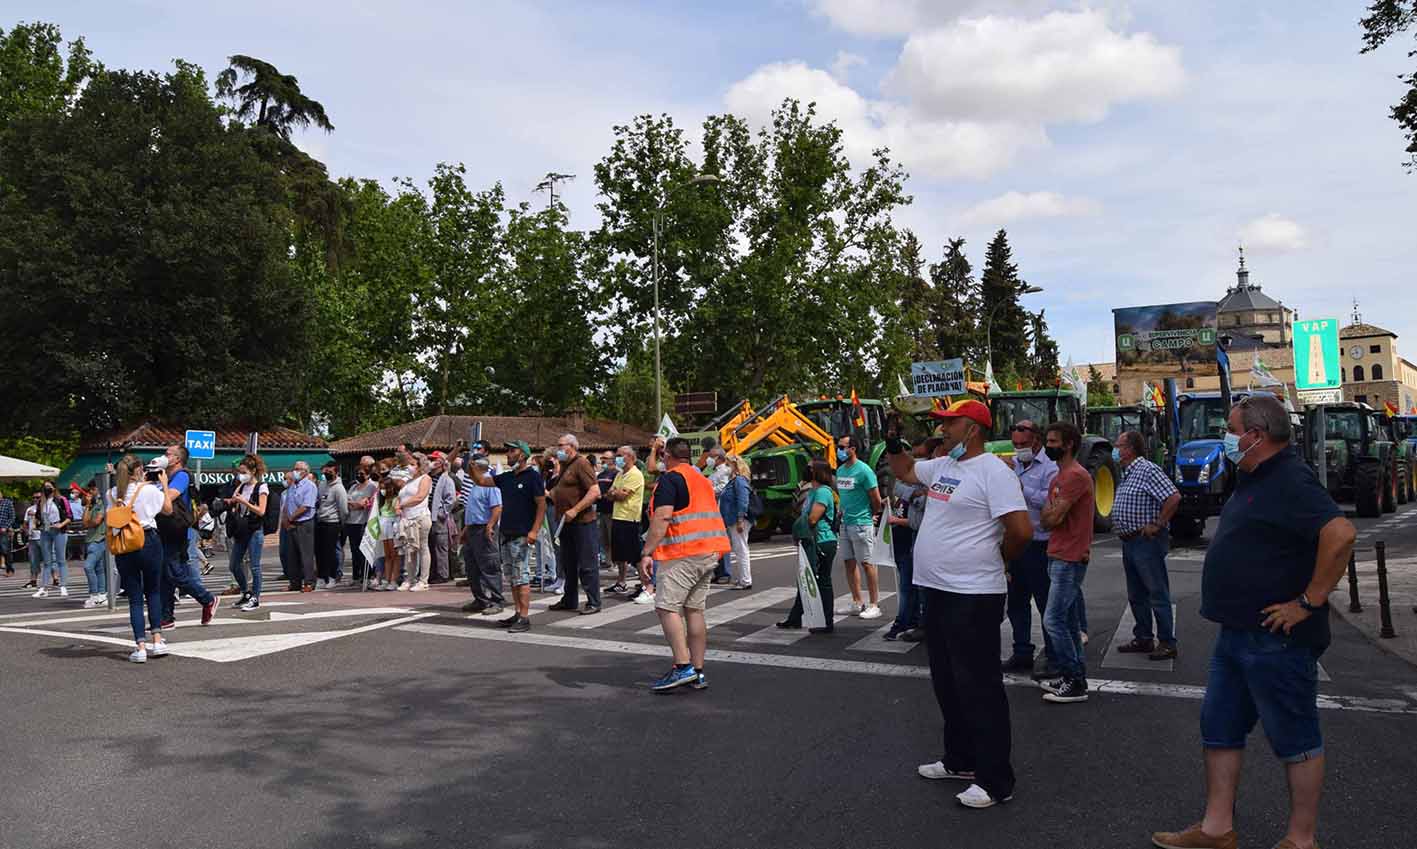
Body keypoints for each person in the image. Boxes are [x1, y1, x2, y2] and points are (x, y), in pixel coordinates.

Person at [1152, 396, 1354, 849]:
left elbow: (1340, 535)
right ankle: (1216, 830)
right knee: (1220, 728)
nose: (1227, 435)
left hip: (1276, 640)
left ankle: (1301, 840)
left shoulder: (1290, 479)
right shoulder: (1253, 475)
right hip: (1236, 634)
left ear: (1255, 436)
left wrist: (1308, 601)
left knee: (1295, 737)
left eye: (1231, 428)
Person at [887, 398, 1032, 810]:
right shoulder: (943, 467)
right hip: (937, 589)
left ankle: (995, 780)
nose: (943, 430)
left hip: (974, 595)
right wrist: (893, 439)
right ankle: (960, 760)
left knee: (979, 686)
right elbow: (904, 471)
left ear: (974, 429)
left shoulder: (993, 472)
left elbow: (1020, 530)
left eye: (952, 424)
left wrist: (998, 558)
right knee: (947, 681)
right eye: (942, 424)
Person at [638, 436, 731, 691]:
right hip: (709, 551)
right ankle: (697, 671)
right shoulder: (700, 478)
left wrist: (647, 552)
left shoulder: (670, 478)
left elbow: (663, 517)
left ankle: (682, 666)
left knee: (666, 607)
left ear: (667, 456)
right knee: (694, 611)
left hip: (682, 552)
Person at [1111, 430, 1182, 661]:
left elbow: (1173, 497)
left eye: (1118, 445)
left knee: (1156, 592)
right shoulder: (1129, 472)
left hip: (1146, 541)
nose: (1115, 449)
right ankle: (1143, 637)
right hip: (1130, 541)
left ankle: (1167, 642)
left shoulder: (1147, 469)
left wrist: (1159, 523)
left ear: (1129, 448)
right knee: (1137, 593)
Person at [1038, 421, 1096, 705]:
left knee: (1053, 620)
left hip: (1070, 557)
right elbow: (1047, 520)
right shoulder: (1058, 478)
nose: (1048, 447)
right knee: (1070, 623)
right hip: (1058, 554)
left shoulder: (1074, 477)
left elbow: (1051, 518)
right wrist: (1050, 513)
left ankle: (1074, 680)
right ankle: (1073, 676)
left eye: (1052, 442)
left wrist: (1050, 512)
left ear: (1069, 444)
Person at [466, 440, 546, 632]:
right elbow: (481, 481)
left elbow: (541, 505)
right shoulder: (507, 477)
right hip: (507, 533)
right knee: (511, 576)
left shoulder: (532, 477)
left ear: (523, 455)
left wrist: (534, 530)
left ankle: (525, 617)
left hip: (522, 534)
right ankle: (517, 612)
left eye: (512, 451)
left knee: (521, 576)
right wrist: (471, 467)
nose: (508, 454)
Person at [1001, 420, 1059, 678]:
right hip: (1016, 542)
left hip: (1041, 543)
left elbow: (1050, 501)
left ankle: (1052, 655)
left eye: (1023, 444)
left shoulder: (1050, 467)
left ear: (1036, 440)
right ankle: (1022, 651)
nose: (1018, 448)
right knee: (1016, 602)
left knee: (1046, 603)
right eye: (1015, 444)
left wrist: (1022, 488)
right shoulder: (1012, 464)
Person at [109, 454, 172, 663]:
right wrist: (163, 485)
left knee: (135, 598)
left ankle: (140, 646)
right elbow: (168, 510)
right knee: (153, 591)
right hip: (148, 540)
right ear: (139, 471)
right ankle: (157, 640)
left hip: (124, 545)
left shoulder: (112, 494)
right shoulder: (149, 490)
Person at [155, 448, 219, 627]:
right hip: (164, 528)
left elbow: (170, 496)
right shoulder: (163, 475)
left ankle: (207, 599)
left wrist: (159, 489)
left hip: (175, 529)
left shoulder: (181, 476)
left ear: (177, 459)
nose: (164, 456)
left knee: (173, 571)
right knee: (165, 574)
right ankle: (166, 617)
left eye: (168, 454)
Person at [777, 460, 839, 634]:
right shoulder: (813, 491)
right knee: (806, 579)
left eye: (810, 468)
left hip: (821, 541)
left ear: (818, 472)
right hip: (811, 540)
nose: (806, 470)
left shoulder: (823, 492)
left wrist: (797, 526)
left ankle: (827, 621)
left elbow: (812, 518)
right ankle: (795, 618)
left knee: (822, 581)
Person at [547, 435, 602, 614]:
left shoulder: (581, 464)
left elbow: (594, 492)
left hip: (583, 523)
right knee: (568, 563)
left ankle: (593, 602)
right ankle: (569, 599)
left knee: (587, 563)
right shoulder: (565, 466)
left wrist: (575, 510)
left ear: (572, 446)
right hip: (566, 523)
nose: (558, 449)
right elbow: (561, 490)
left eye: (561, 446)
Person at [833, 435, 884, 619]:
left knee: (867, 563)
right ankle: (857, 601)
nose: (839, 450)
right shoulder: (840, 471)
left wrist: (873, 514)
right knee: (849, 562)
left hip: (862, 523)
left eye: (842, 447)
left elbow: (876, 499)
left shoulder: (864, 471)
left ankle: (874, 604)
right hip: (846, 523)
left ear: (852, 448)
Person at [884, 439, 929, 640]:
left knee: (909, 587)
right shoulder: (902, 483)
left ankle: (904, 623)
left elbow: (920, 508)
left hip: (916, 538)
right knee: (911, 585)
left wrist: (913, 496)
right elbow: (900, 493)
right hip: (905, 540)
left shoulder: (927, 475)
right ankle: (912, 620)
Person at [459, 450, 505, 614]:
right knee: (472, 567)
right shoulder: (475, 485)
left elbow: (497, 507)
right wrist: (465, 529)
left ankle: (496, 600)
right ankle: (481, 600)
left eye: (471, 465)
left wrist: (490, 525)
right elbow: (473, 510)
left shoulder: (489, 484)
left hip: (484, 528)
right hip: (473, 529)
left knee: (489, 566)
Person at [226, 455, 269, 611]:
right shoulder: (242, 486)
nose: (241, 475)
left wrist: (244, 502)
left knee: (255, 566)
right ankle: (246, 592)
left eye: (244, 472)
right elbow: (233, 500)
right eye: (239, 472)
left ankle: (256, 598)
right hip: (242, 530)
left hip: (255, 530)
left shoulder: (262, 487)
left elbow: (261, 511)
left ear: (253, 471)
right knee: (234, 564)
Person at [605, 444, 645, 594]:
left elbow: (622, 496)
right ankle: (621, 582)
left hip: (630, 519)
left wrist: (615, 493)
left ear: (630, 457)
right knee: (620, 554)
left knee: (634, 554)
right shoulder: (620, 474)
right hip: (618, 516)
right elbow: (609, 495)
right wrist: (614, 493)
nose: (617, 458)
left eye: (620, 455)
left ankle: (644, 584)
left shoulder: (635, 474)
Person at [395, 453, 433, 591]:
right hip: (407, 519)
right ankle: (409, 579)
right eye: (409, 464)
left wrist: (402, 505)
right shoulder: (408, 480)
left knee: (422, 547)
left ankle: (423, 580)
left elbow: (420, 497)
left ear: (420, 466)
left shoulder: (425, 478)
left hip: (420, 517)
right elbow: (399, 496)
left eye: (412, 464)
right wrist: (397, 505)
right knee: (409, 550)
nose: (409, 467)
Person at [281, 460, 319, 592]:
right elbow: (287, 504)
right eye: (294, 468)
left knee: (306, 554)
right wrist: (285, 519)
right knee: (291, 554)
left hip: (304, 523)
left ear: (306, 472)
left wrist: (292, 518)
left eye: (298, 469)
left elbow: (306, 506)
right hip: (291, 523)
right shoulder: (292, 486)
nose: (295, 471)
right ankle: (295, 582)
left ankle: (309, 582)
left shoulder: (310, 486)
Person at [313, 461, 348, 590]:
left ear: (336, 472)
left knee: (330, 552)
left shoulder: (339, 488)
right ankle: (321, 577)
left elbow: (343, 508)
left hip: (333, 522)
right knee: (320, 552)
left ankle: (332, 577)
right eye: (325, 471)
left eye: (330, 471)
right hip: (320, 521)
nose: (327, 473)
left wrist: (341, 524)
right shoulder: (322, 485)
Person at [34, 480, 71, 598]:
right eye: (45, 487)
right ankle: (44, 587)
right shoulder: (41, 501)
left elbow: (70, 516)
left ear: (54, 488)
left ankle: (63, 586)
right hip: (46, 530)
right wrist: (38, 523)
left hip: (59, 529)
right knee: (47, 561)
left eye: (49, 487)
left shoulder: (61, 500)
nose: (47, 489)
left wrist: (61, 524)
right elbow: (38, 516)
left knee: (61, 559)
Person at [722, 454, 753, 590]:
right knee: (739, 549)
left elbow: (743, 500)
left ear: (734, 465)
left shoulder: (739, 481)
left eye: (727, 464)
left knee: (741, 549)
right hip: (734, 520)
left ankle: (745, 580)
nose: (725, 467)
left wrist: (740, 519)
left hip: (738, 520)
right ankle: (743, 578)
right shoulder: (734, 481)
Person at [345, 458, 378, 587]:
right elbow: (347, 502)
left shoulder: (371, 486)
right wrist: (354, 504)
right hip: (351, 521)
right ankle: (356, 576)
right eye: (357, 473)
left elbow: (364, 504)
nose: (359, 476)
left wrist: (354, 504)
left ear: (368, 474)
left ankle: (368, 575)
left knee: (363, 550)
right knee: (354, 550)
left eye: (362, 474)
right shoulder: (353, 486)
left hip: (363, 521)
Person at [427, 451, 457, 584]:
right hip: (427, 515)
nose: (431, 462)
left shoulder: (446, 479)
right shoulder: (428, 477)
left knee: (441, 545)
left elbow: (451, 499)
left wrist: (442, 512)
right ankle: (432, 572)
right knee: (430, 545)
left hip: (439, 518)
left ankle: (443, 574)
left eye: (434, 459)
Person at [78, 482, 108, 607]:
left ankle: (94, 595)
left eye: (92, 491)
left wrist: (88, 523)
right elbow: (84, 522)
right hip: (91, 539)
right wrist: (88, 505)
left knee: (88, 566)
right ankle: (102, 594)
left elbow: (96, 521)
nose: (90, 494)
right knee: (99, 569)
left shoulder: (102, 503)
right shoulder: (92, 505)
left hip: (99, 539)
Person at [596, 450, 618, 572]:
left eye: (605, 458)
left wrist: (605, 495)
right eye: (602, 458)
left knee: (612, 537)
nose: (602, 460)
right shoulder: (600, 475)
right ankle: (608, 561)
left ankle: (615, 562)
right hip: (601, 510)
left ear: (612, 460)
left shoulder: (616, 474)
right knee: (604, 538)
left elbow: (614, 491)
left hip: (611, 510)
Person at [22, 493, 41, 588]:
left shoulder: (46, 508)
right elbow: (25, 523)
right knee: (33, 560)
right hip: (32, 538)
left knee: (49, 559)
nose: (35, 499)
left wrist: (36, 515)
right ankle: (33, 580)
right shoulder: (29, 509)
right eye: (33, 497)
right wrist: (26, 532)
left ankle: (55, 579)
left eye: (37, 497)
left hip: (43, 537)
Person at [0, 492, 14, 576]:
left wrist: (5, 527)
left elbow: (12, 517)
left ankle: (10, 570)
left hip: (3, 530)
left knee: (5, 550)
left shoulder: (7, 503)